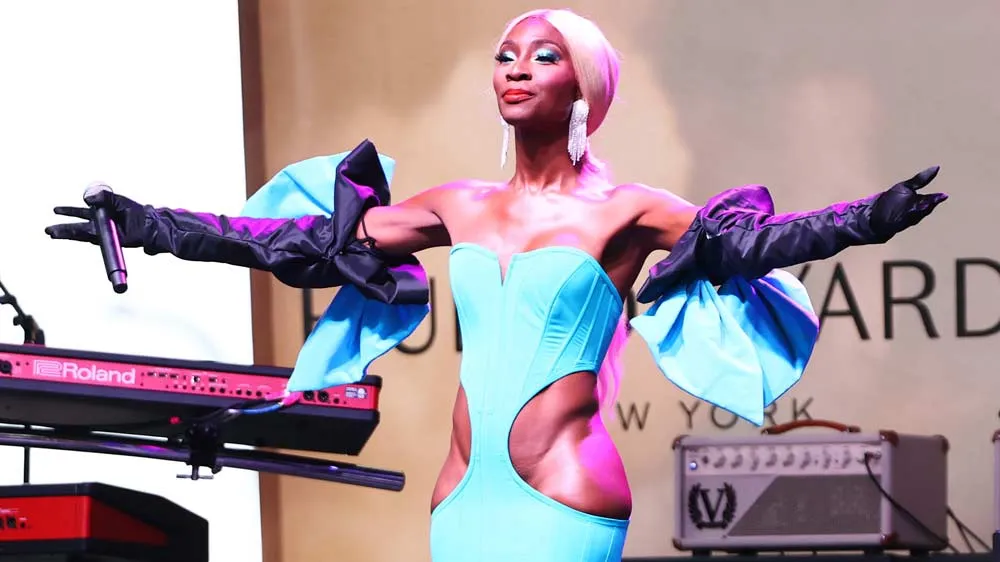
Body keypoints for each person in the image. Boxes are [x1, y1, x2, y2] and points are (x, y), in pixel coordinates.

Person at [45, 8, 946, 562]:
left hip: (563, 492)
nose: (515, 67)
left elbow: (756, 243)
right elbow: (293, 243)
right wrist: (152, 225)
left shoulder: (629, 210)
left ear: (584, 88)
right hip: (461, 494)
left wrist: (867, 218)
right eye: (506, 54)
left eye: (543, 56)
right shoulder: (458, 205)